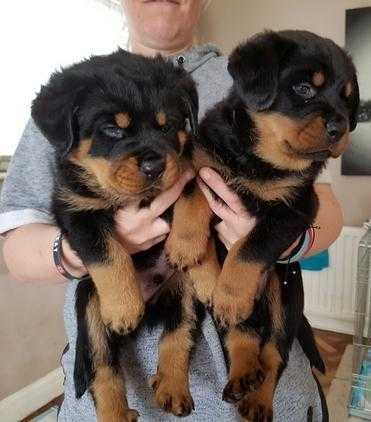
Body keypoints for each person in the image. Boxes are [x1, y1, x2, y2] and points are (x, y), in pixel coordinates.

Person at [0, 0, 341, 420]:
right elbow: (16, 249)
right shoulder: (76, 91)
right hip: (114, 383)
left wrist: (269, 243)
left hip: (267, 390)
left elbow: (320, 205)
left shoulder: (258, 80)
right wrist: (86, 250)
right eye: (113, 130)